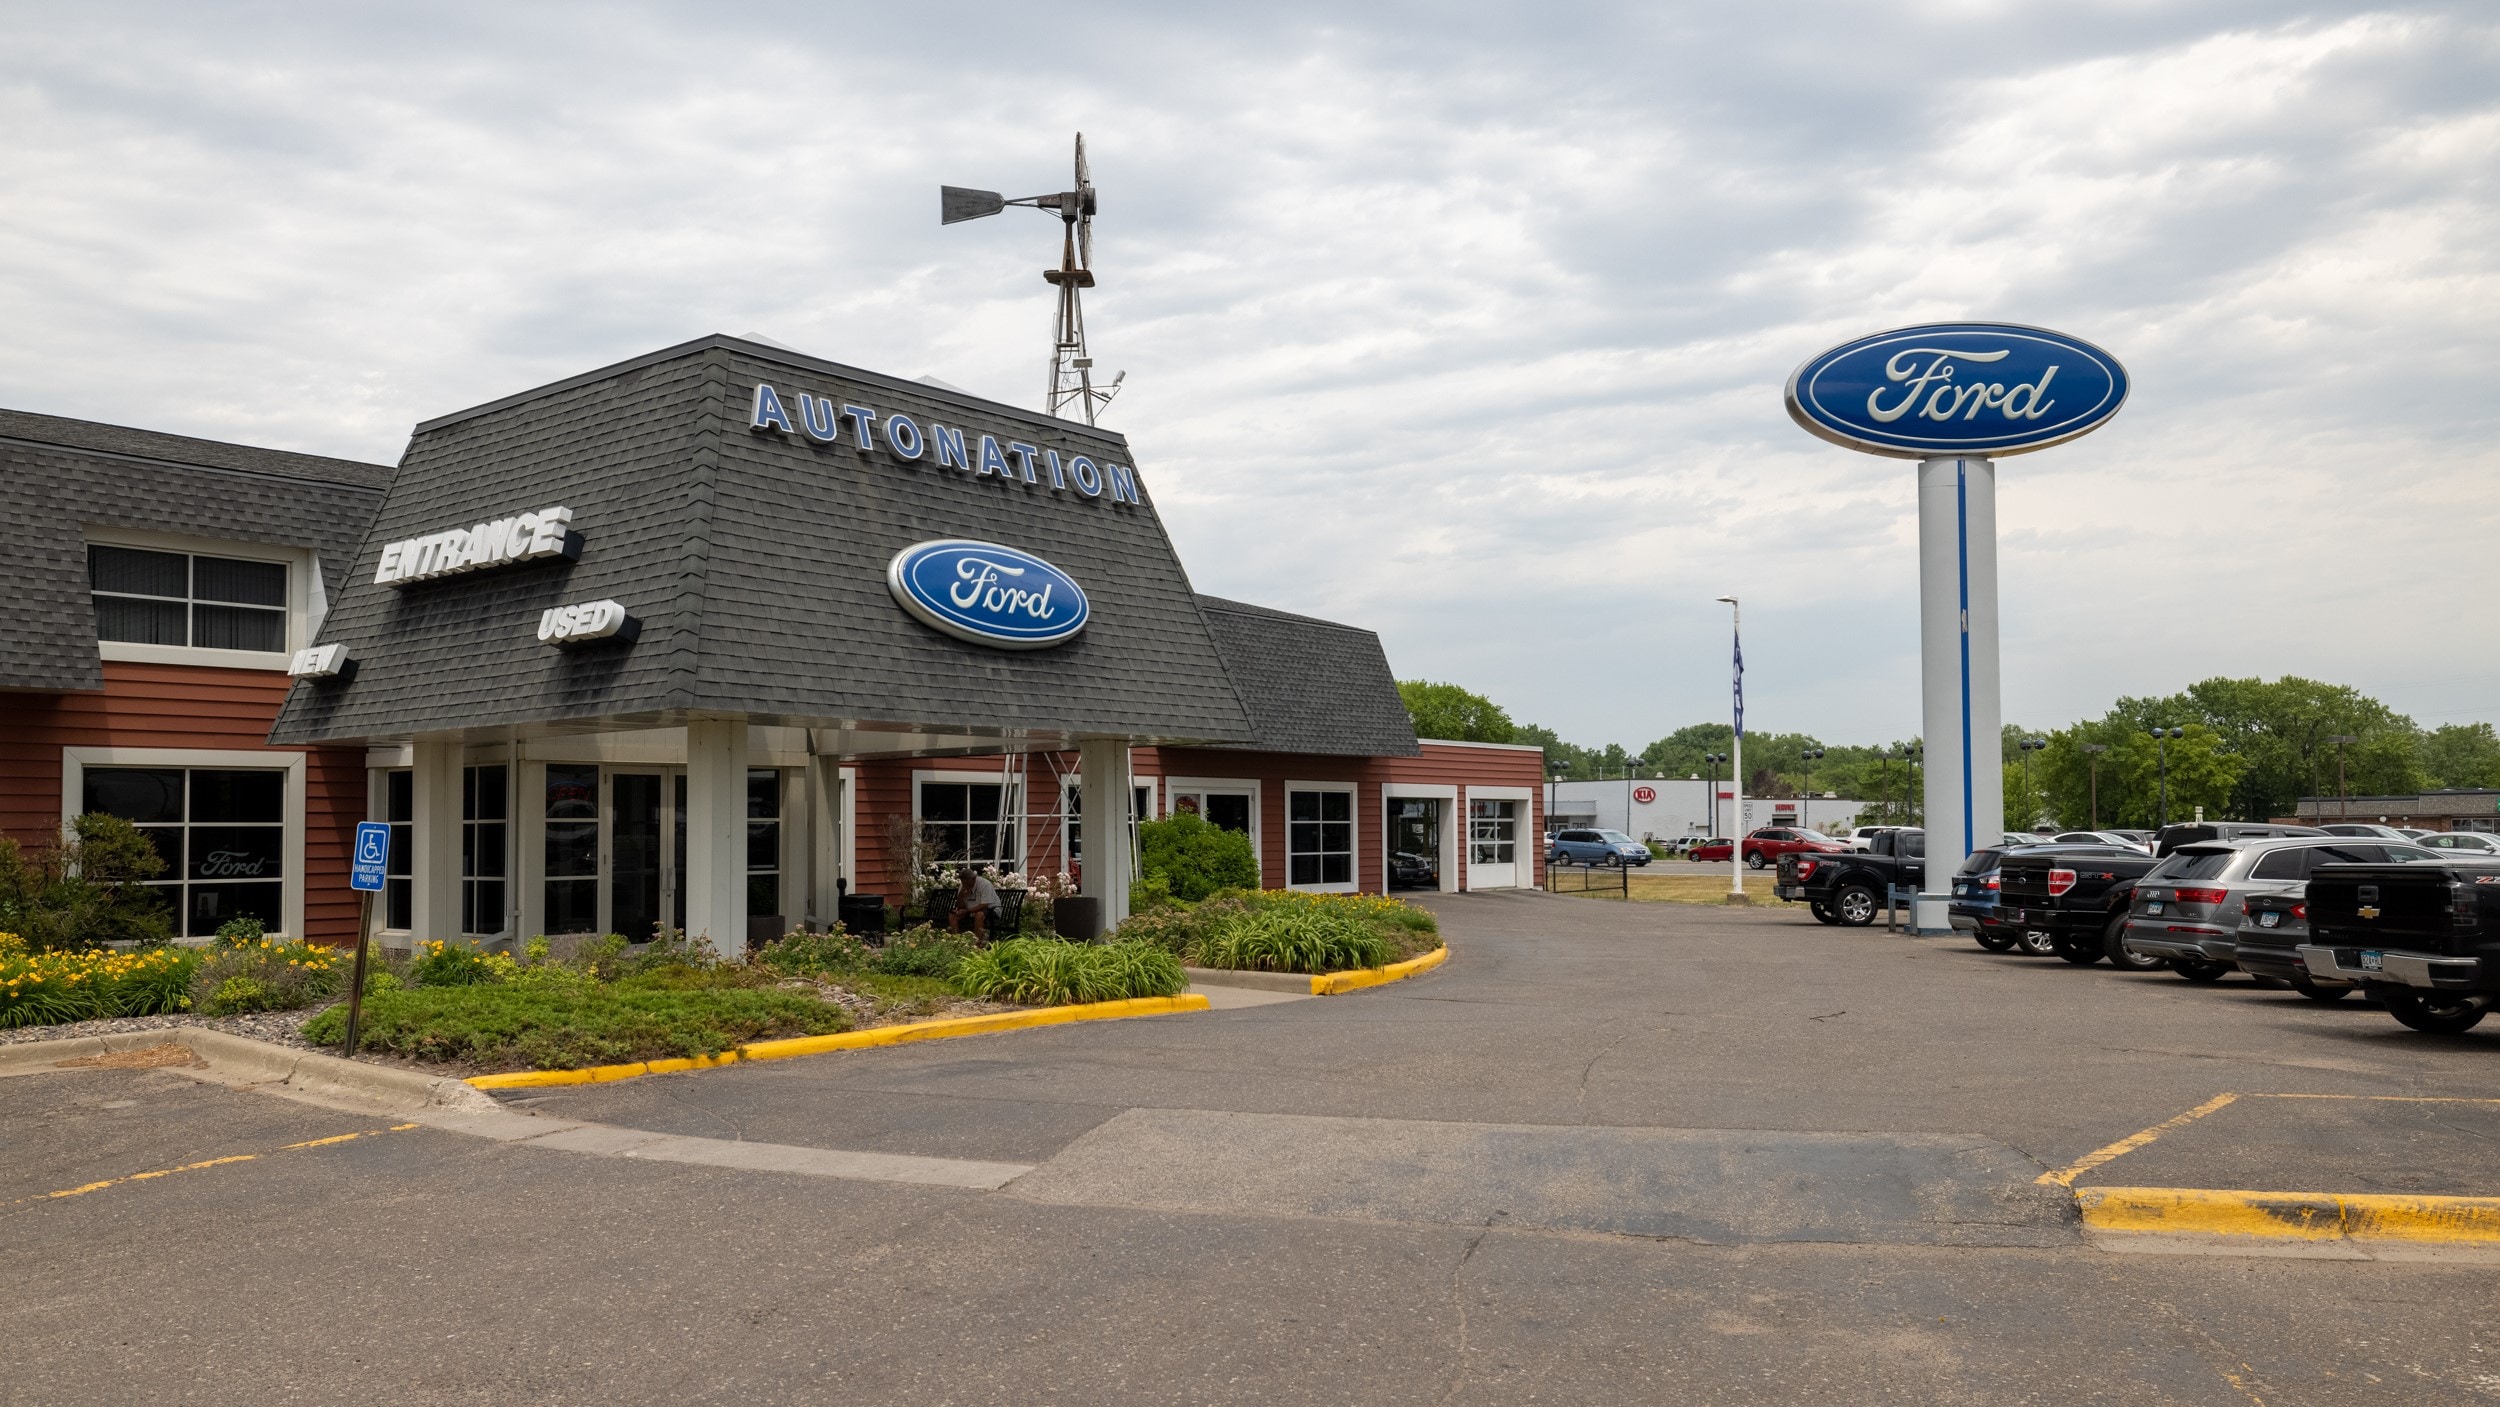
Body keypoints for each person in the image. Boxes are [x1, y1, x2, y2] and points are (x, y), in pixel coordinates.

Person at [947, 867, 1002, 938]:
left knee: (979, 914)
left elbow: (984, 905)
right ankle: (956, 941)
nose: (964, 885)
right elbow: (961, 906)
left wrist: (967, 911)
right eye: (963, 882)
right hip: (970, 911)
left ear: (973, 879)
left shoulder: (985, 884)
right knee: (953, 914)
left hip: (991, 910)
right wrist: (961, 896)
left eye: (966, 882)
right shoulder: (963, 886)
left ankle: (978, 944)